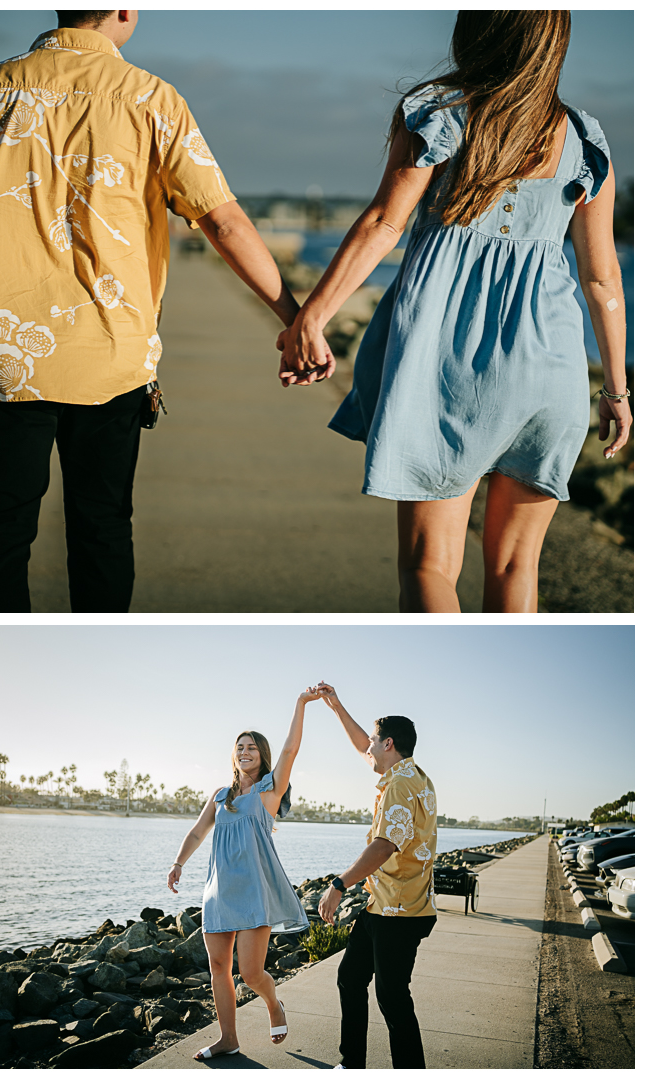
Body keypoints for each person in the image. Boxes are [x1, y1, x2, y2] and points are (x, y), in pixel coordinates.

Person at [0, 9, 315, 613]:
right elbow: (220, 218)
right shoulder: (151, 99)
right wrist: (294, 317)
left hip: (1, 356)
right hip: (109, 356)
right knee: (103, 528)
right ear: (122, 11)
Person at [277, 10, 632, 614]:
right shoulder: (584, 141)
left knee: (429, 564)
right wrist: (619, 392)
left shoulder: (440, 113)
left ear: (478, 30)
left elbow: (383, 224)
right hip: (551, 372)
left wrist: (311, 316)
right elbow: (602, 281)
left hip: (445, 368)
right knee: (517, 567)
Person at [166, 690, 316, 1060]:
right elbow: (199, 831)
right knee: (219, 968)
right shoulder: (220, 795)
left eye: (251, 747)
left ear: (262, 755)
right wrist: (178, 862)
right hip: (218, 892)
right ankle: (228, 1039)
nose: (244, 751)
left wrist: (300, 703)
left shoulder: (268, 791)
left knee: (250, 973)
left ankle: (273, 1002)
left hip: (254, 893)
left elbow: (290, 751)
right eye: (240, 747)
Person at [313, 682, 437, 1070]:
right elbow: (360, 746)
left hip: (400, 913)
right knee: (350, 979)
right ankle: (352, 1065)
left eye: (373, 740)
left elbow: (384, 846)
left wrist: (338, 885)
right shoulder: (413, 774)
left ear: (389, 744)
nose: (367, 746)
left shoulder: (400, 786)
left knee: (393, 999)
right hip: (380, 906)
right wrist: (335, 707)